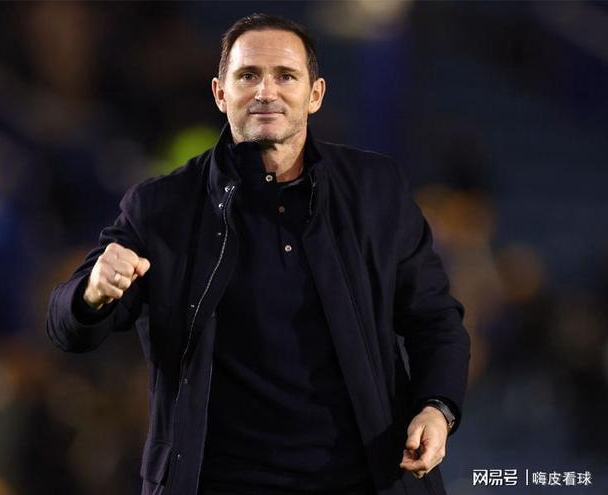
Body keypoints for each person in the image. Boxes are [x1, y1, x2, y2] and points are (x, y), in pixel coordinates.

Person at [47, 13, 470, 495]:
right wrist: (93, 293)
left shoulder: (375, 190)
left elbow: (435, 318)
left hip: (362, 480)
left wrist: (437, 408)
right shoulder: (161, 206)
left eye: (285, 76)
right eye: (248, 75)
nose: (266, 92)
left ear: (315, 94)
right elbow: (67, 327)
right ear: (220, 93)